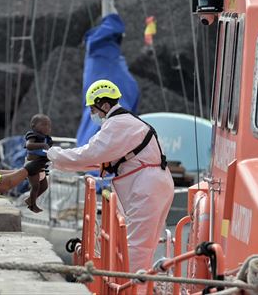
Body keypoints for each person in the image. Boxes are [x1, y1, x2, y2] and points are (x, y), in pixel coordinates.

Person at [46, 79, 174, 273]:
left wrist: (52, 154)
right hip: (155, 184)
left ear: (105, 105)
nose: (92, 114)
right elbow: (98, 160)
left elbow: (91, 153)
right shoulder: (127, 122)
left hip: (147, 187)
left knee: (136, 247)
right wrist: (57, 161)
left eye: (93, 109)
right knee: (145, 245)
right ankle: (138, 287)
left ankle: (131, 289)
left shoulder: (117, 124)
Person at [24, 114, 52, 213]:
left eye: (49, 125)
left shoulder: (47, 138)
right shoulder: (33, 135)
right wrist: (43, 145)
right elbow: (29, 146)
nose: (47, 127)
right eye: (44, 125)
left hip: (41, 166)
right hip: (32, 164)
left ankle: (30, 200)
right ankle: (33, 205)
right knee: (35, 186)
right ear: (33, 125)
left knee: (44, 186)